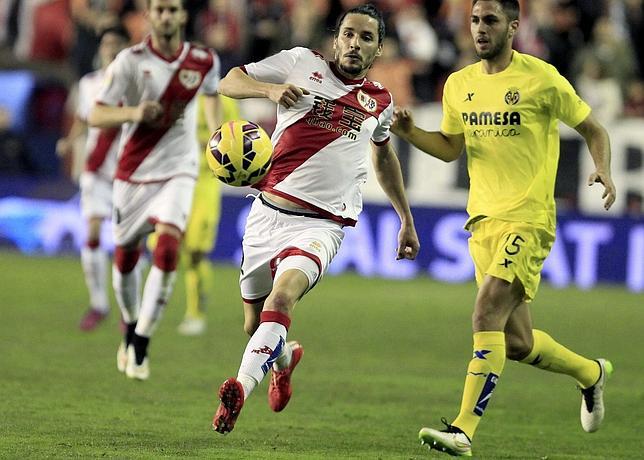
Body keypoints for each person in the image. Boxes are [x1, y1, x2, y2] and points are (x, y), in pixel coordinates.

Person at [391, 0, 617, 456]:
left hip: (528, 218)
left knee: (484, 313)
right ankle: (590, 373)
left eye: (490, 20)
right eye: (474, 20)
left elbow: (594, 129)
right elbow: (452, 148)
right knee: (515, 342)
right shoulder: (459, 84)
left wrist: (604, 170)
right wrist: (413, 132)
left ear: (514, 27)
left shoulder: (542, 78)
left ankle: (462, 429)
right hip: (483, 222)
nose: (479, 29)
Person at [211, 4, 420, 434]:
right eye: (348, 34)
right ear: (335, 38)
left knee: (280, 300)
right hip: (268, 214)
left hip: (322, 226)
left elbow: (383, 159)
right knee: (254, 326)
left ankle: (237, 391)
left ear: (378, 48)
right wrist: (269, 92)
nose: (354, 44)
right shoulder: (300, 63)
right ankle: (283, 362)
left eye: (366, 38)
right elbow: (228, 81)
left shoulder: (380, 102)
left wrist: (406, 218)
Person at [88, 0, 221, 380]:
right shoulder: (129, 61)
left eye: (173, 9)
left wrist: (215, 135)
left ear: (183, 16)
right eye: (159, 9)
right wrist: (133, 113)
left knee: (167, 247)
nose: (166, 16)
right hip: (132, 173)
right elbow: (97, 113)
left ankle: (142, 341)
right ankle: (131, 325)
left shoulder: (203, 60)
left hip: (179, 170)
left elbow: (211, 94)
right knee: (126, 257)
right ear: (148, 15)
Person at [56, 26, 130, 331]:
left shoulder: (135, 83)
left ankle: (129, 310)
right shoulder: (89, 84)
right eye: (105, 44)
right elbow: (85, 119)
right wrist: (69, 141)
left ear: (126, 49)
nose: (109, 49)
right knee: (94, 230)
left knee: (127, 240)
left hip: (126, 170)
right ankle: (99, 303)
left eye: (115, 44)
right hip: (96, 168)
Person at [175, 94, 240, 336]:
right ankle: (145, 310)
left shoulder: (224, 102)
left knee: (195, 252)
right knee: (165, 248)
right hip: (173, 180)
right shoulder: (175, 92)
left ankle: (196, 313)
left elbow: (235, 141)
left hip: (205, 183)